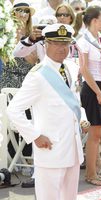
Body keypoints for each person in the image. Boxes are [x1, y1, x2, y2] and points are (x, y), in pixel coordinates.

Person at [7, 23, 84, 200]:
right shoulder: (38, 75)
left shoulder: (71, 68)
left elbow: (74, 102)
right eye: (56, 43)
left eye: (65, 43)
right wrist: (34, 135)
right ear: (45, 44)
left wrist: (82, 118)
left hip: (73, 148)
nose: (62, 48)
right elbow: (14, 109)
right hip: (51, 148)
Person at [77, 5, 101, 186]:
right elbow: (84, 69)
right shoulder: (83, 40)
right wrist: (99, 93)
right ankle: (90, 174)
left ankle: (97, 169)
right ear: (94, 20)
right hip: (92, 88)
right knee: (94, 134)